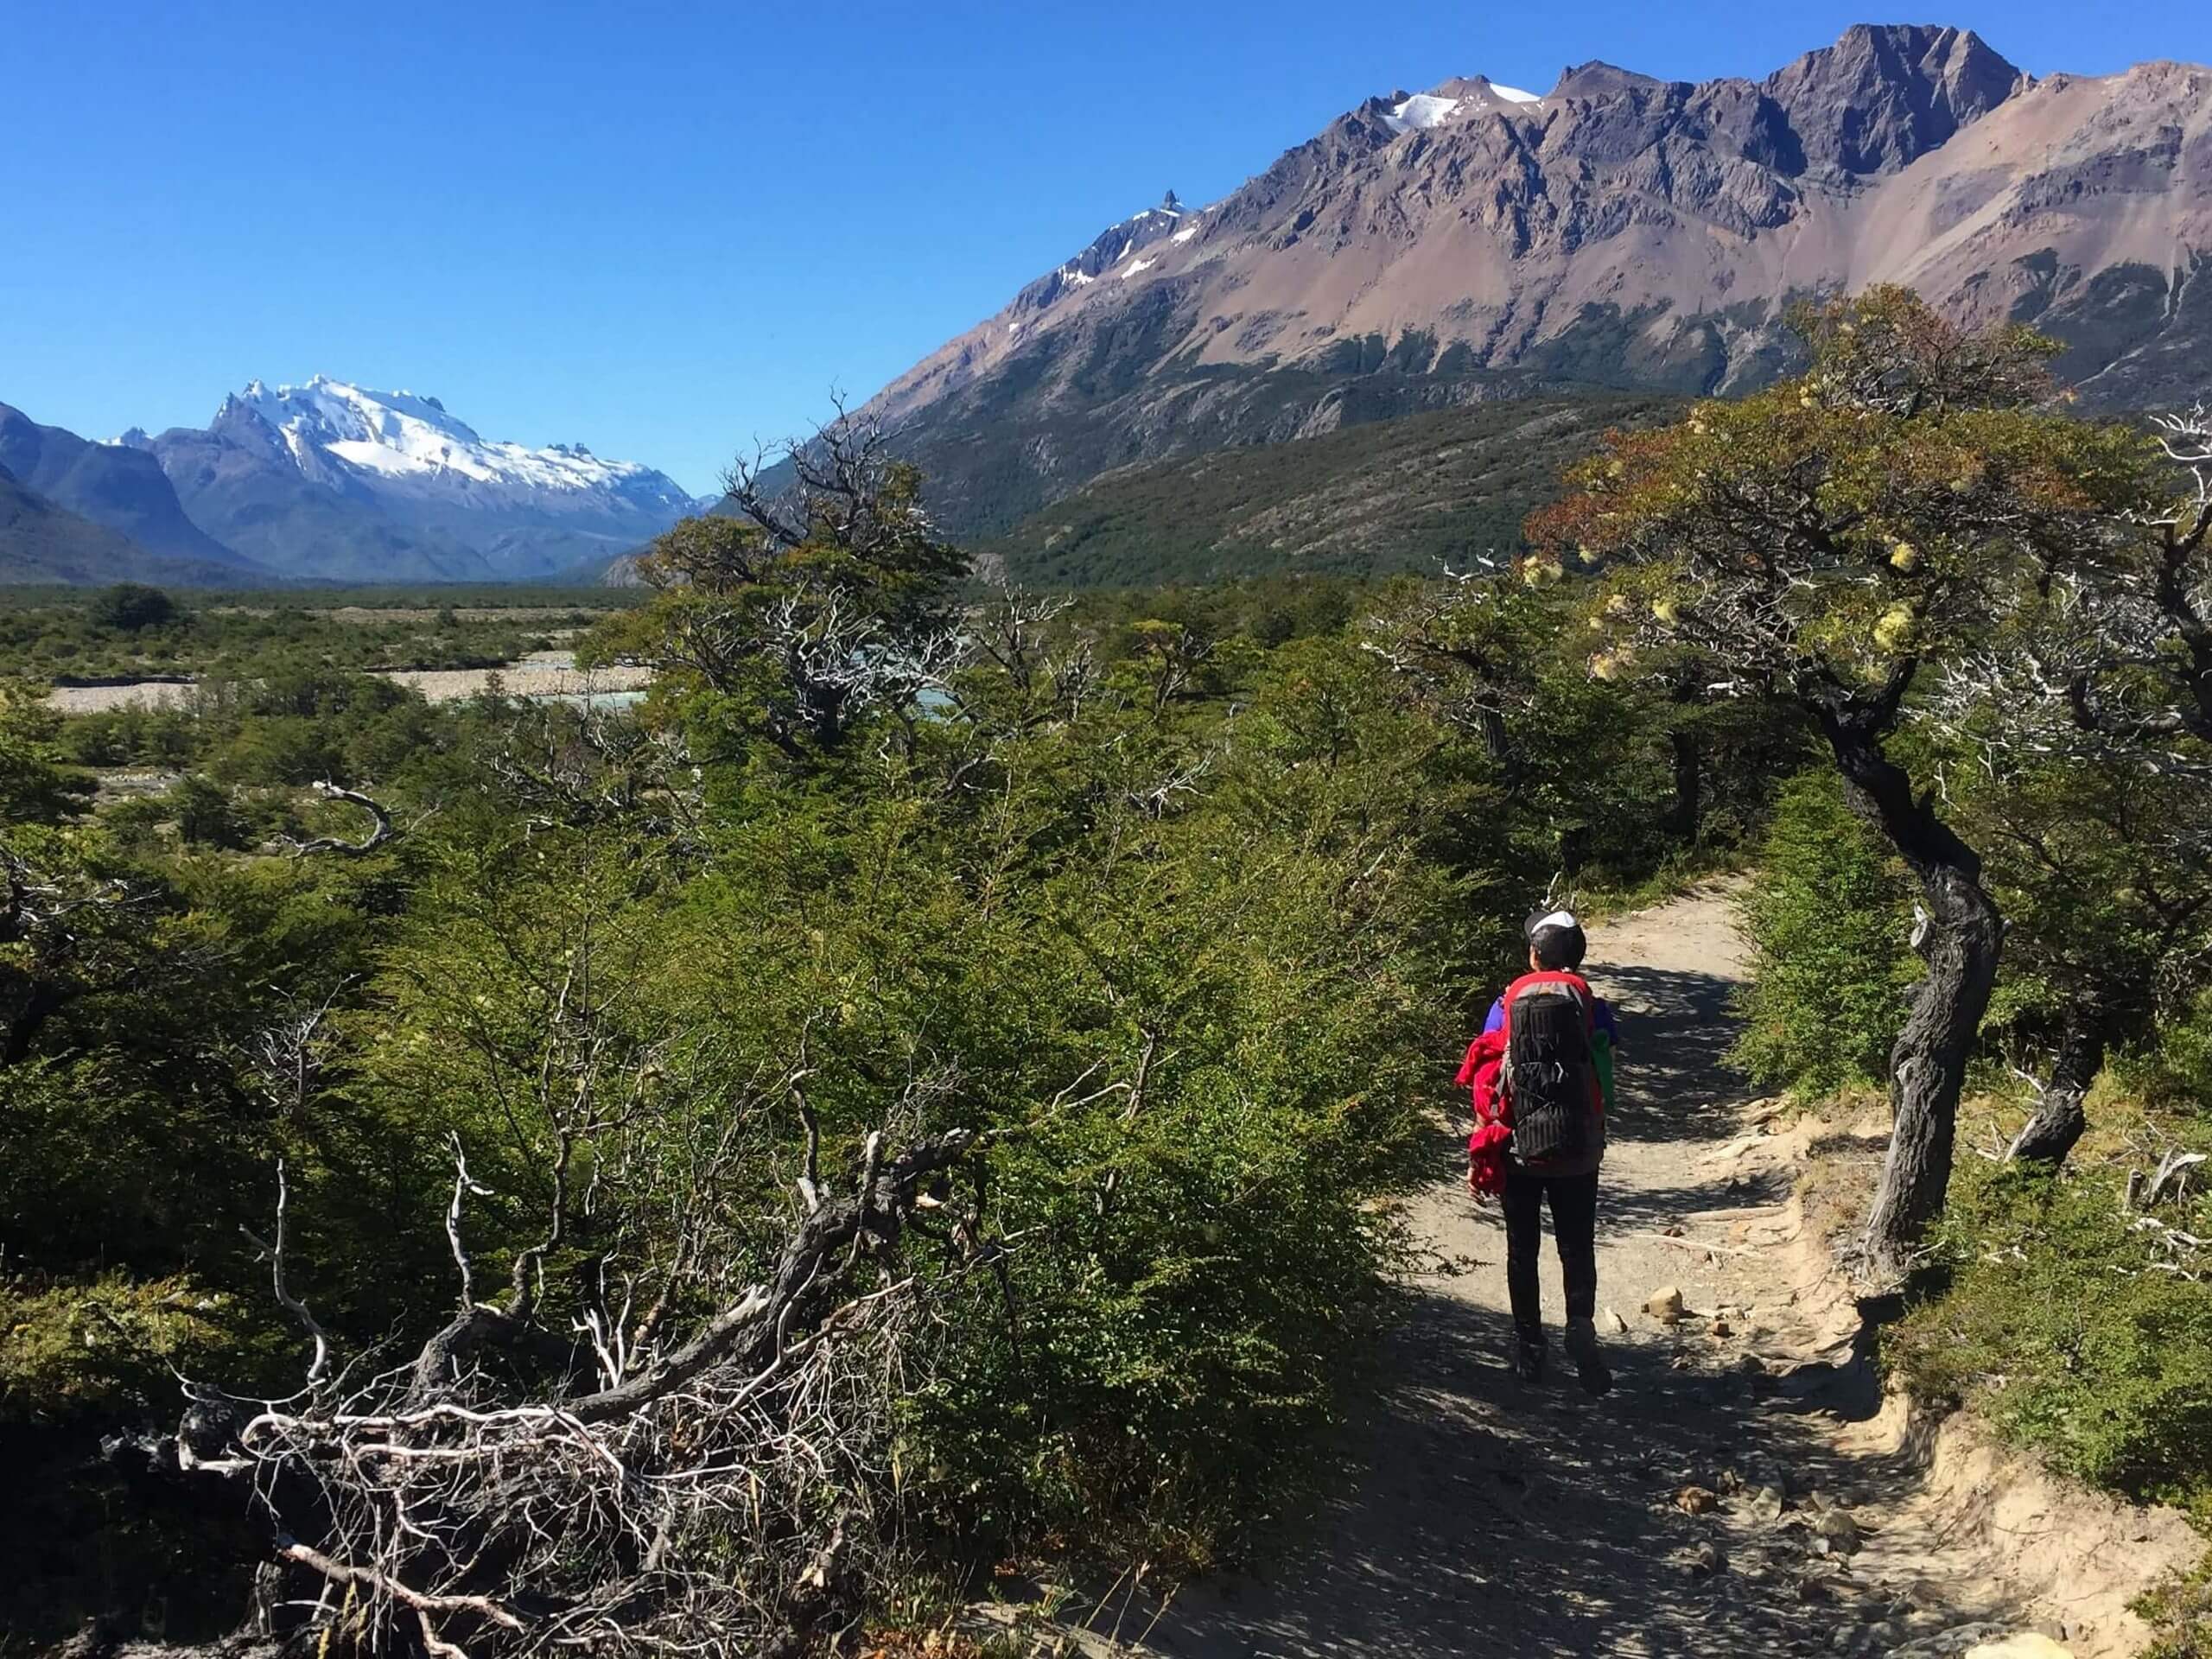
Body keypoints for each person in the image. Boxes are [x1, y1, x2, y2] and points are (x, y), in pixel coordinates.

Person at [1454, 908, 1617, 1393]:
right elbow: (1605, 1072)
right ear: (1579, 959)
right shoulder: (1592, 1004)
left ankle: (1529, 1347)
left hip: (1519, 1145)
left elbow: (1487, 1077)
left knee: (1522, 1247)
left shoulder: (1507, 1003)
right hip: (1577, 1149)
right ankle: (1580, 1324)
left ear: (1532, 955)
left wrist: (1480, 1148)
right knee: (1576, 1243)